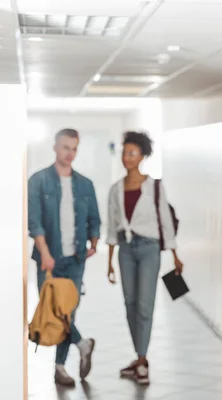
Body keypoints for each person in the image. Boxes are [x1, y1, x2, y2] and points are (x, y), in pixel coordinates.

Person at [106, 131, 183, 385]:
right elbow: (112, 227)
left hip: (149, 249)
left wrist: (174, 254)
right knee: (129, 302)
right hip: (126, 249)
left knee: (145, 304)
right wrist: (109, 260)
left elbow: (165, 221)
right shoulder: (116, 189)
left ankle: (141, 360)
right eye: (124, 153)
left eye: (132, 153)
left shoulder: (155, 186)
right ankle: (139, 356)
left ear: (142, 156)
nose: (127, 158)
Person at [28, 128, 100, 387]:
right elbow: (34, 221)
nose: (70, 153)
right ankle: (82, 344)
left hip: (76, 258)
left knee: (68, 313)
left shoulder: (85, 184)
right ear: (55, 147)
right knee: (53, 310)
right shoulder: (39, 181)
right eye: (65, 147)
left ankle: (59, 366)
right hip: (48, 258)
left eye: (74, 148)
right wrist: (45, 253)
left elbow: (94, 217)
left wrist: (94, 241)